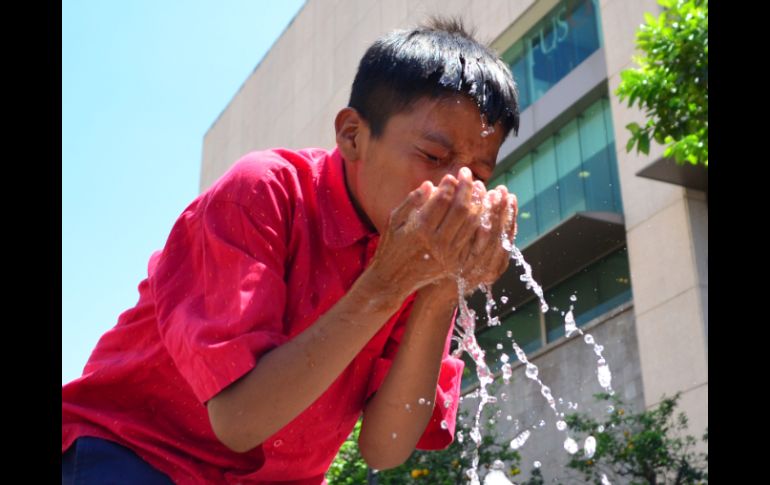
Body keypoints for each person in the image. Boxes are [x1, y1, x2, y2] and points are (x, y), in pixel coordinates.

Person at [62, 16, 520, 484]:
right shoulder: (261, 193)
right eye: (434, 157)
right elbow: (239, 421)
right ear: (352, 135)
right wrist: (387, 284)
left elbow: (385, 447)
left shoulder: (414, 255)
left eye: (479, 175)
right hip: (133, 450)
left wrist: (440, 293)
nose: (460, 187)